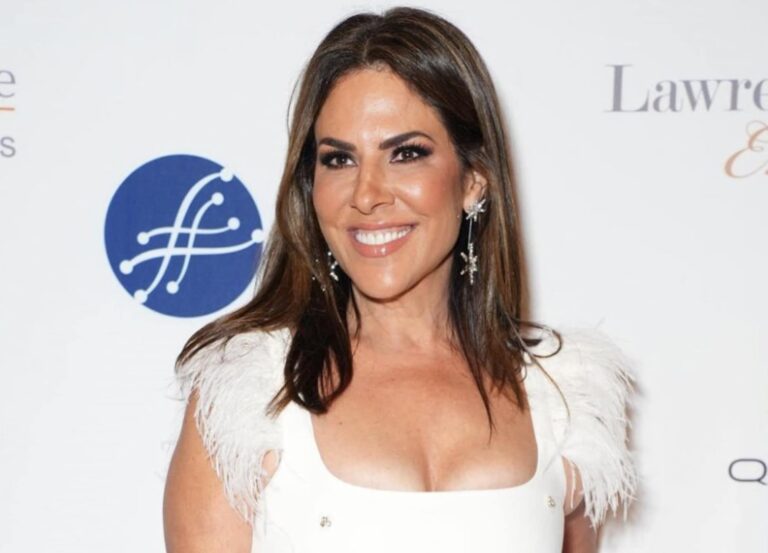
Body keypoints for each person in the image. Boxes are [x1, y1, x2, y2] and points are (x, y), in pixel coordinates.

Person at [163, 6, 638, 553]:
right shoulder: (250, 395)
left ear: (474, 180)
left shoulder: (562, 397)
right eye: (339, 160)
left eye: (406, 154)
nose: (367, 194)